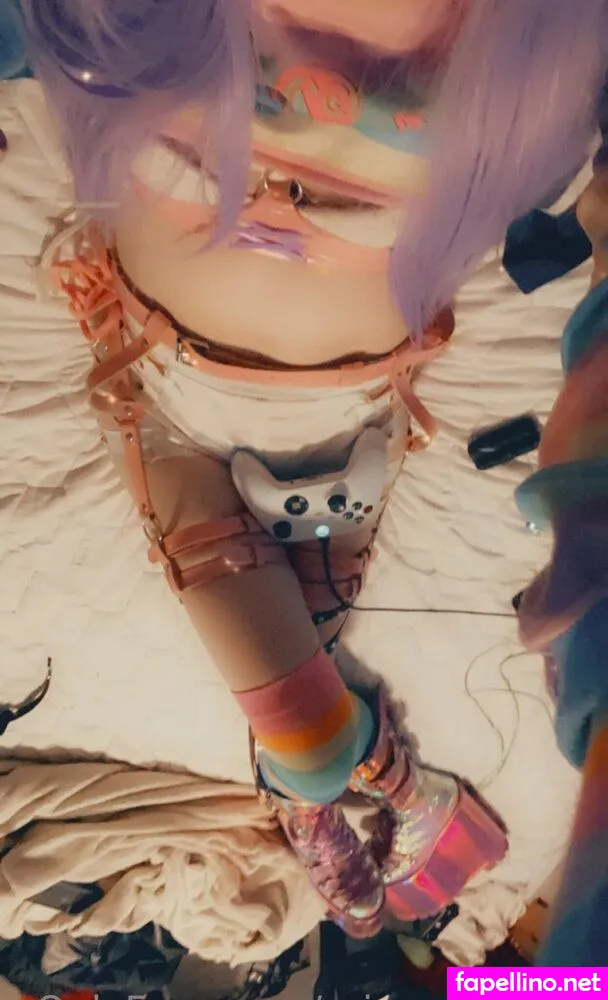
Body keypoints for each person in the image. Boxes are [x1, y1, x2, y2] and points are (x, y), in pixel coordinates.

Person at [9, 0, 608, 953]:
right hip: (166, 398)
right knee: (291, 687)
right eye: (193, 162)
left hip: (346, 426)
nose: (275, 199)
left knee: (300, 685)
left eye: (343, 199)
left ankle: (343, 801)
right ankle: (359, 790)